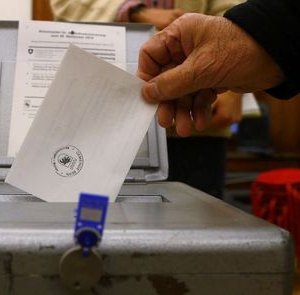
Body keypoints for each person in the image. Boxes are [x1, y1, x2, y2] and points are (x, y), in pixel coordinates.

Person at [50, 0, 245, 198]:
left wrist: (232, 70)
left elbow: (231, 7)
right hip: (105, 113)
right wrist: (133, 11)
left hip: (196, 117)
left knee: (196, 220)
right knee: (93, 217)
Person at [138, 0, 300, 135]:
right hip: (137, 123)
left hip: (204, 117)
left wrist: (233, 92)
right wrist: (137, 11)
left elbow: (229, 10)